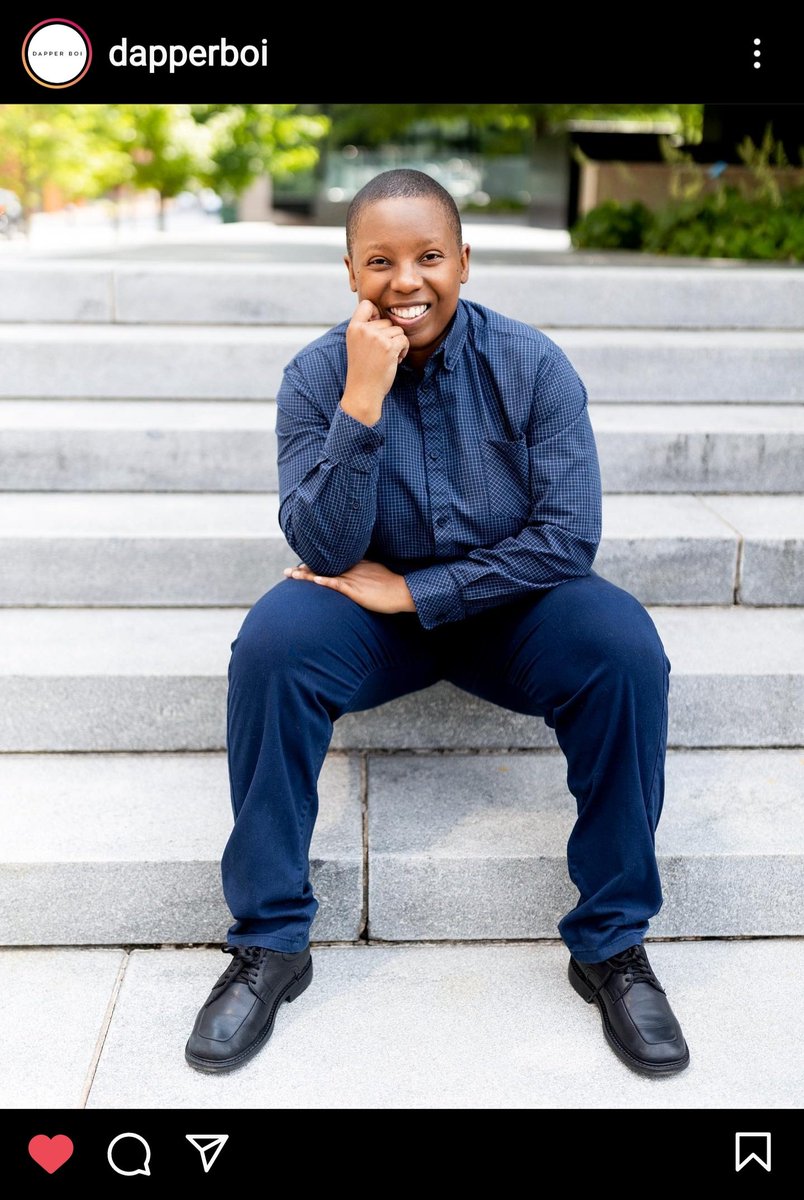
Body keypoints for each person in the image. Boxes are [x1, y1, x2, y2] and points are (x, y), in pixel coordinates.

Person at [185, 168, 689, 1079]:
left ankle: (611, 943)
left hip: (508, 611)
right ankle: (269, 942)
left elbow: (568, 539)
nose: (405, 280)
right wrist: (363, 398)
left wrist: (422, 593)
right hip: (366, 621)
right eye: (380, 260)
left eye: (428, 256)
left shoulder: (532, 364)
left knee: (621, 647)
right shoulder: (314, 377)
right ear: (349, 270)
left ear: (465, 260)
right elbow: (320, 542)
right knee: (272, 644)